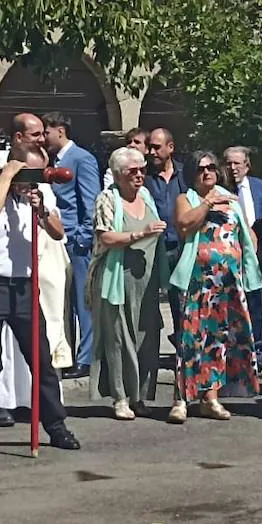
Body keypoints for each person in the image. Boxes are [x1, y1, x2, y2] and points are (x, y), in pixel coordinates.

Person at [0, 135, 81, 460]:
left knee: (41, 359)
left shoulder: (38, 194)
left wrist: (41, 211)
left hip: (24, 285)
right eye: (31, 174)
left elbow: (58, 232)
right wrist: (8, 178)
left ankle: (56, 426)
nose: (37, 181)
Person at [167, 150, 262, 422]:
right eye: (200, 169)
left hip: (228, 282)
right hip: (198, 281)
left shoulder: (230, 201)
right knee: (191, 339)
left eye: (211, 167)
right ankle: (181, 398)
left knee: (219, 339)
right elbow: (185, 226)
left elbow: (246, 234)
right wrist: (208, 202)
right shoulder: (187, 199)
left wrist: (244, 260)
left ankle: (210, 396)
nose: (207, 172)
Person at [90, 147, 167, 419]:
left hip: (145, 279)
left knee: (146, 337)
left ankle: (140, 396)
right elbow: (106, 238)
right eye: (131, 172)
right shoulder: (107, 199)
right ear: (117, 175)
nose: (139, 176)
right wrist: (141, 233)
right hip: (116, 277)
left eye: (141, 169)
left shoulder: (145, 195)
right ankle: (120, 397)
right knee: (119, 338)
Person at [42, 112, 101, 380]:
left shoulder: (81, 159)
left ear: (61, 131)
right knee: (61, 301)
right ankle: (65, 353)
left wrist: (84, 237)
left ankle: (86, 357)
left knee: (82, 300)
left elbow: (90, 202)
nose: (44, 138)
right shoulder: (54, 160)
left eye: (47, 131)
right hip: (56, 238)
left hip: (75, 240)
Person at [221, 146, 262, 371]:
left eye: (237, 163)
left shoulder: (260, 187)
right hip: (227, 253)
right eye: (228, 163)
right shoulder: (219, 191)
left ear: (247, 165)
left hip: (255, 253)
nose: (232, 168)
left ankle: (257, 352)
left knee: (256, 303)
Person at [144, 128, 187, 342]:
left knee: (181, 300)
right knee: (149, 300)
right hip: (153, 247)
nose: (151, 151)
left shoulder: (186, 173)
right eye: (149, 146)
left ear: (170, 147)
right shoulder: (143, 177)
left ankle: (181, 344)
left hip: (181, 245)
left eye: (156, 147)